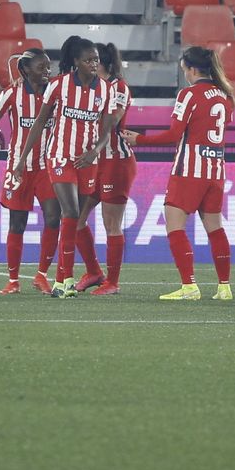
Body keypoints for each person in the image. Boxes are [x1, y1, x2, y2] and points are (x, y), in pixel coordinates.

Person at [123, 46, 235, 301]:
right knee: (215, 228)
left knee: (175, 226)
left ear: (191, 69)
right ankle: (224, 287)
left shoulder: (188, 94)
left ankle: (189, 286)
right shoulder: (224, 95)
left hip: (189, 170)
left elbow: (174, 136)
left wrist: (139, 139)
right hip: (215, 171)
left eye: (184, 67)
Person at [17, 36, 114, 298]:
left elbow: (107, 128)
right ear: (76, 62)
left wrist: (94, 151)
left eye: (96, 59)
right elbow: (39, 122)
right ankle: (67, 279)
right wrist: (22, 158)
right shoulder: (59, 85)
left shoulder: (106, 90)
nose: (94, 64)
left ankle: (61, 280)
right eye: (88, 60)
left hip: (88, 161)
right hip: (60, 156)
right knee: (69, 212)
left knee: (77, 217)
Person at [0, 48, 62, 295]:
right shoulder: (11, 93)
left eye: (48, 66)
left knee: (54, 219)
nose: (47, 71)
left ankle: (42, 275)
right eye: (41, 67)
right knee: (17, 224)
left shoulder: (55, 92)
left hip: (47, 165)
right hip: (18, 167)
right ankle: (13, 280)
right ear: (25, 70)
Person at [73, 42, 134, 296]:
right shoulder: (90, 88)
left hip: (115, 161)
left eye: (91, 59)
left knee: (112, 224)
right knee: (75, 219)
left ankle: (113, 281)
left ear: (100, 62)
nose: (88, 63)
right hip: (94, 162)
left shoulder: (118, 87)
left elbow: (113, 120)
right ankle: (94, 272)